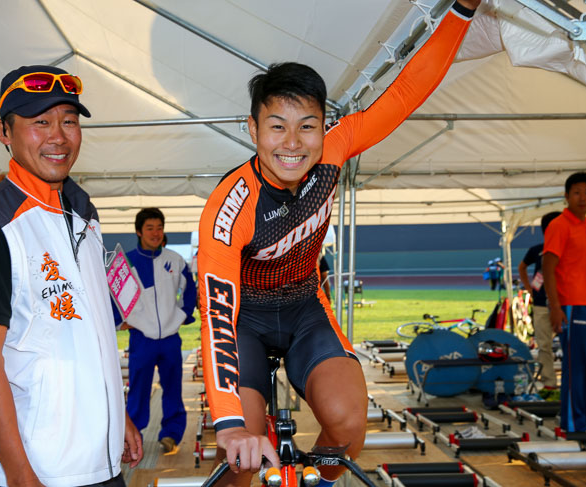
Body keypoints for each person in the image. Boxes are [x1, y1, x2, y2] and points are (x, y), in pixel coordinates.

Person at [197, 2, 481, 485]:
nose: (292, 143)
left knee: (349, 422)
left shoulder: (338, 144)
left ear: (324, 125)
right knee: (240, 455)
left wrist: (463, 9)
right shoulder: (230, 207)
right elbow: (217, 314)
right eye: (276, 127)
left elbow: (410, 90)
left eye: (307, 125)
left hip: (305, 305)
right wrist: (228, 424)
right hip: (244, 318)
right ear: (252, 129)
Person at [0, 65, 143, 486]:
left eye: (69, 121)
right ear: (4, 131)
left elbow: (88, 334)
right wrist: (20, 476)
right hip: (40, 470)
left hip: (102, 461)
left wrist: (118, 417)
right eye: (40, 122)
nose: (59, 136)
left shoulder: (82, 214)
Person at [113, 208, 197, 454]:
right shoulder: (126, 262)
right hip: (142, 339)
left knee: (173, 387)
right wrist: (120, 321)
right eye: (149, 228)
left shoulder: (175, 259)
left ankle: (171, 434)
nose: (155, 233)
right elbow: (112, 295)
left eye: (159, 228)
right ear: (139, 231)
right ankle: (133, 436)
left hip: (170, 339)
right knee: (138, 389)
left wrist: (183, 314)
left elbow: (189, 290)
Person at [543, 171, 586, 433]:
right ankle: (573, 424)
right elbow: (548, 269)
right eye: (577, 192)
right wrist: (556, 307)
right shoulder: (559, 225)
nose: (583, 198)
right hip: (570, 305)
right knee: (576, 368)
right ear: (567, 196)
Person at [518, 211, 561, 400]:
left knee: (572, 346)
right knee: (544, 345)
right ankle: (550, 385)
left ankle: (572, 384)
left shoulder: (571, 247)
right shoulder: (537, 249)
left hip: (566, 305)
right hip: (542, 304)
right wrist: (529, 288)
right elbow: (522, 266)